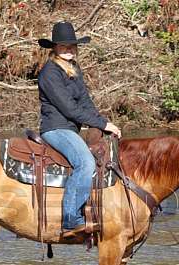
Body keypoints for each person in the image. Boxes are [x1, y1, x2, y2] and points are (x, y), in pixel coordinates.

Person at [38, 21, 122, 237]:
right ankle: (71, 220)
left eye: (72, 46)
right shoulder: (50, 73)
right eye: (64, 46)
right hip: (56, 128)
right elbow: (69, 108)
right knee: (85, 162)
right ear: (54, 48)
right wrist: (102, 124)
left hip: (70, 129)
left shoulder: (74, 70)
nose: (69, 50)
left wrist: (104, 124)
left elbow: (85, 103)